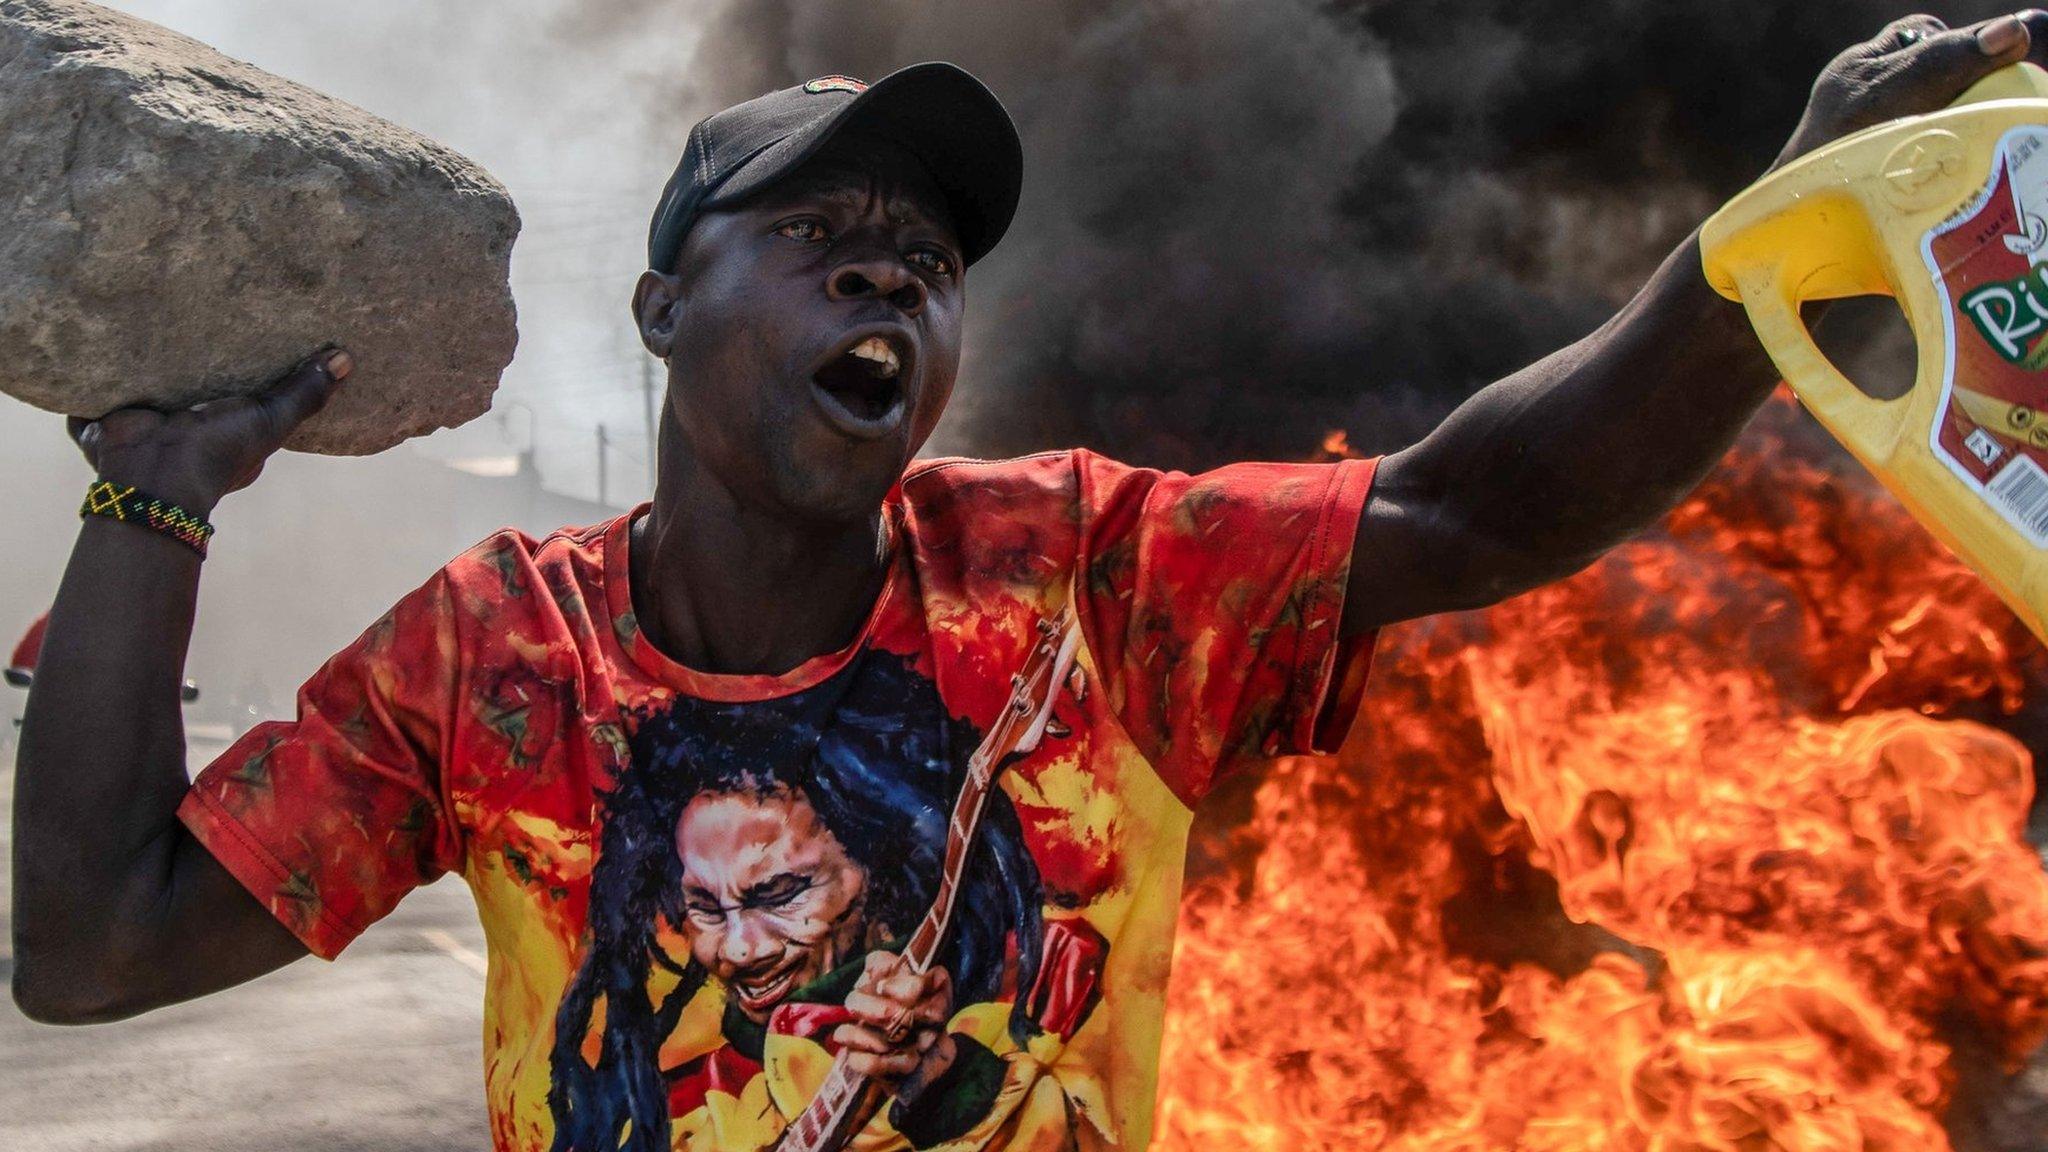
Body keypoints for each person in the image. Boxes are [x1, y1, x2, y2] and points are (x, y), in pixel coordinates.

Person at [11, 14, 2041, 1152]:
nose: (892, 266)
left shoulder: (1087, 574)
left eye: (925, 250)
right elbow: (88, 957)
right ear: (658, 307)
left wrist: (1774, 228)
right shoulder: (497, 657)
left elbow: (1477, 506)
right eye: (818, 232)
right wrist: (150, 510)